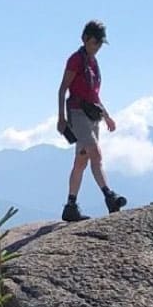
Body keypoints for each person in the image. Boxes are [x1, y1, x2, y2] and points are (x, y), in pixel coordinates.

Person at [57, 20, 126, 221]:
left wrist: (107, 116)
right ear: (86, 39)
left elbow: (94, 95)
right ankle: (109, 196)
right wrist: (61, 118)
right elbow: (63, 89)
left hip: (92, 115)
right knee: (96, 153)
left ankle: (70, 206)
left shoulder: (93, 63)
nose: (97, 47)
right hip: (77, 113)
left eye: (100, 44)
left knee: (82, 161)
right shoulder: (76, 60)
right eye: (95, 42)